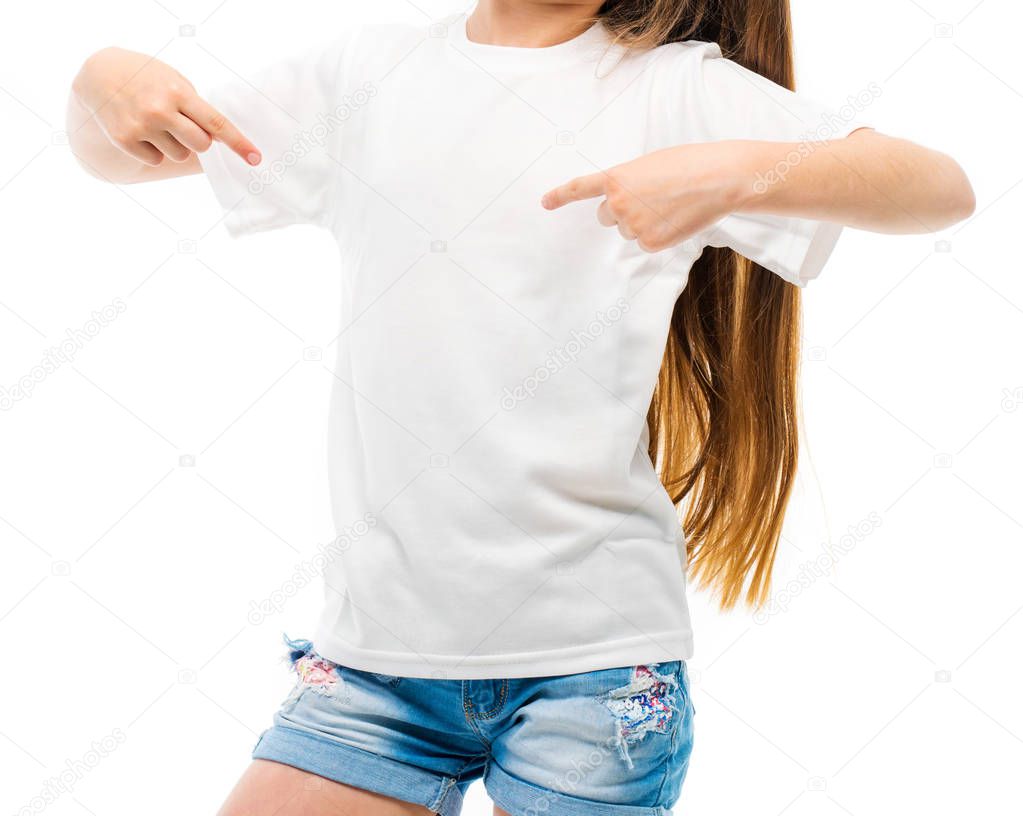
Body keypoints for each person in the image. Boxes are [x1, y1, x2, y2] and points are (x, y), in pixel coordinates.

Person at [67, 1, 975, 814]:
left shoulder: (674, 89)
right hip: (379, 663)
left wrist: (735, 170)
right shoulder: (366, 75)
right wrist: (104, 76)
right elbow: (120, 155)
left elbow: (938, 188)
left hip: (593, 671)